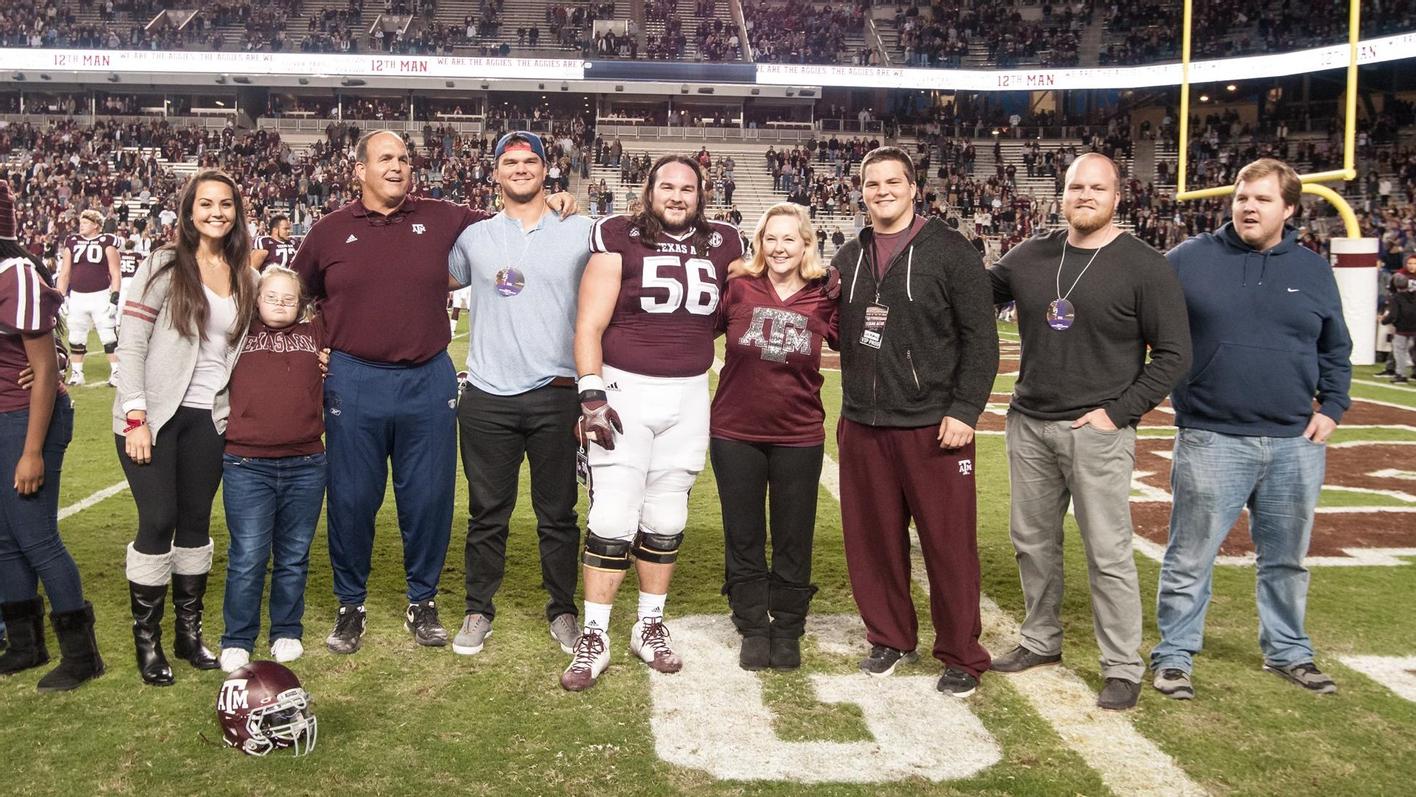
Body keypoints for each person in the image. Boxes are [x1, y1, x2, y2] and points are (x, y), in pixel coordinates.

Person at [292, 130, 575, 655]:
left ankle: (422, 602)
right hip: (353, 378)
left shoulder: (446, 218)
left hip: (428, 377)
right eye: (384, 159)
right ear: (359, 170)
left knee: (428, 500)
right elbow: (291, 294)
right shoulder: (329, 231)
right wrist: (314, 345)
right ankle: (349, 605)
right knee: (352, 499)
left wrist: (552, 201)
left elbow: (512, 216)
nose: (397, 166)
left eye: (403, 158)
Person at [987, 153, 1192, 711]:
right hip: (1029, 422)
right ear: (1062, 194)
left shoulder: (1145, 265)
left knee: (1107, 552)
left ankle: (1122, 664)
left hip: (1096, 430)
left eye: (1096, 188)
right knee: (1032, 544)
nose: (1084, 195)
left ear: (1117, 196)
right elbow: (976, 294)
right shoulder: (1032, 253)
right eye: (1076, 186)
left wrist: (1117, 412)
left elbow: (1174, 352)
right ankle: (1040, 639)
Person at [1152, 158, 1353, 700]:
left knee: (1286, 558)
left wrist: (1332, 407)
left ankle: (1288, 650)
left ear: (1289, 210)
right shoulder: (1190, 258)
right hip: (1211, 435)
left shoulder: (1312, 270)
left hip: (1294, 442)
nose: (1247, 206)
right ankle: (1174, 655)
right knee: (1191, 553)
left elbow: (1335, 347)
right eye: (1242, 196)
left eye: (1262, 199)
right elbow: (1140, 309)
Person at [561, 155, 745, 691]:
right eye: (668, 185)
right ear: (649, 190)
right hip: (624, 389)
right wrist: (591, 394)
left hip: (689, 393)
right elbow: (589, 322)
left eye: (688, 187)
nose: (677, 195)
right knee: (615, 512)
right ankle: (594, 634)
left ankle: (649, 624)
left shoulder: (725, 242)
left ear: (701, 193)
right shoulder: (618, 234)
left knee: (666, 514)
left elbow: (747, 301)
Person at [833, 146, 998, 696]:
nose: (882, 191)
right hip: (863, 422)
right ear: (861, 191)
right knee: (873, 542)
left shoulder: (951, 250)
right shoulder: (848, 254)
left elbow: (982, 337)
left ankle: (960, 654)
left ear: (912, 188)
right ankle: (890, 637)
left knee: (948, 545)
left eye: (892, 182)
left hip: (934, 426)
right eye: (872, 182)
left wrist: (965, 408)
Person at [446, 132, 593, 657]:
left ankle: (563, 610)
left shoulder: (581, 229)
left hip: (557, 390)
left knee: (558, 513)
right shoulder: (472, 237)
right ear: (495, 173)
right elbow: (428, 281)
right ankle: (477, 609)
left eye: (531, 161)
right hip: (487, 395)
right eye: (511, 162)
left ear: (547, 171)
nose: (521, 169)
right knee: (488, 513)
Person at [116, 170, 257, 686]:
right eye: (205, 204)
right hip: (152, 416)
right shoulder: (163, 265)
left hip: (210, 418)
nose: (216, 212)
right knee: (158, 518)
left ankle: (187, 634)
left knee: (196, 522)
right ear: (189, 211)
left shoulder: (247, 275)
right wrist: (136, 416)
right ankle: (147, 644)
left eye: (225, 204)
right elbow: (130, 343)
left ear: (236, 212)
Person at [711, 203, 837, 671]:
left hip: (799, 433)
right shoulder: (739, 286)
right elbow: (696, 330)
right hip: (735, 430)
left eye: (790, 238)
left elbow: (862, 335)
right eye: (771, 238)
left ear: (806, 244)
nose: (780, 247)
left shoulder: (826, 294)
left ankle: (787, 623)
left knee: (793, 533)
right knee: (742, 531)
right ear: (759, 243)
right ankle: (751, 622)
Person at [0, 180, 104, 692]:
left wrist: (32, 450)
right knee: (3, 538)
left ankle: (82, 655)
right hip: (6, 413)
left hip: (26, 416)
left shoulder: (13, 271)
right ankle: (25, 644)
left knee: (35, 534)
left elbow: (42, 369)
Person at [217, 267, 326, 673]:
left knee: (294, 555)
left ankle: (286, 629)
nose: (280, 304)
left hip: (306, 463)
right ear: (256, 299)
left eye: (289, 298)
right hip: (247, 464)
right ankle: (238, 637)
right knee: (247, 555)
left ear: (302, 304)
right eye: (271, 296)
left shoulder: (315, 336)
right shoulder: (237, 332)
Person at [57, 209, 121, 387]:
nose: (81, 225)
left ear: (96, 226)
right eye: (81, 222)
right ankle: (77, 373)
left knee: (108, 334)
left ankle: (116, 372)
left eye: (85, 223)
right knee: (76, 335)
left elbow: (115, 272)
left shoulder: (106, 241)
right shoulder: (72, 241)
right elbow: (65, 273)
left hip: (100, 295)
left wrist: (114, 298)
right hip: (77, 296)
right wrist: (60, 297)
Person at [1381, 253, 1416, 383]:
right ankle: (1391, 368)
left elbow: (1392, 300)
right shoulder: (1400, 275)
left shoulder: (1397, 295)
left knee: (1400, 348)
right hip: (1404, 320)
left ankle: (1400, 373)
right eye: (1410, 263)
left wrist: (1385, 319)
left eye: (1414, 263)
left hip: (1401, 322)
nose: (1412, 266)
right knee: (1399, 348)